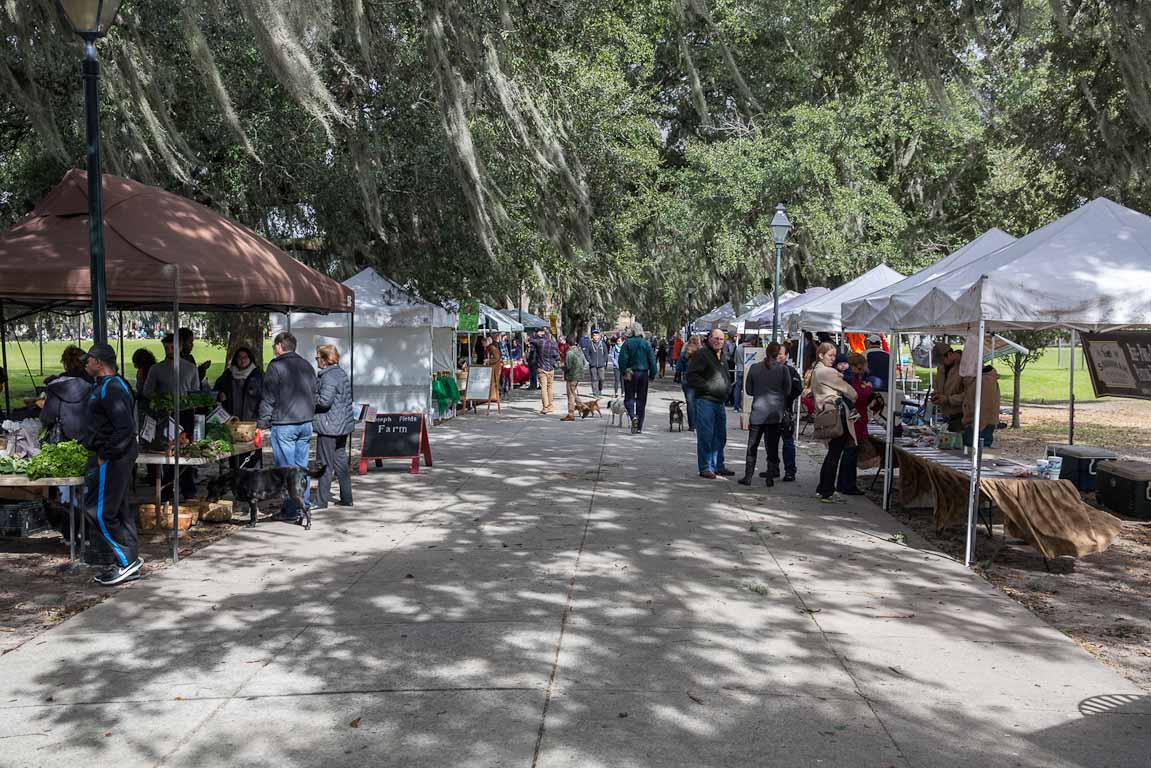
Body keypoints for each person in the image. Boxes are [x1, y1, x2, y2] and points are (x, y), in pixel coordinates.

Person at [79, 343, 141, 586]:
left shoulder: (112, 388)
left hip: (113, 458)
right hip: (116, 457)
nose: (86, 363)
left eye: (89, 359)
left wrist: (106, 452)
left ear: (99, 362)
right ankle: (129, 560)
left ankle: (127, 561)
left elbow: (125, 428)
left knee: (100, 511)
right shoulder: (111, 385)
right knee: (118, 510)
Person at [258, 332, 318, 511]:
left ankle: (292, 509)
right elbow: (315, 393)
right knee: (301, 468)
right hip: (305, 422)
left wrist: (262, 423)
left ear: (279, 346)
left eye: (274, 346)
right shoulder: (307, 365)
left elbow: (268, 397)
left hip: (285, 424)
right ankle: (303, 504)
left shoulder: (276, 366)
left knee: (286, 470)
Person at [143, 333, 202, 500]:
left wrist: (191, 402)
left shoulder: (190, 368)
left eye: (172, 347)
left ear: (180, 347)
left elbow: (195, 392)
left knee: (186, 452)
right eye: (166, 347)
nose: (169, 350)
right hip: (165, 416)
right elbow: (147, 391)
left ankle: (188, 490)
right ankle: (166, 492)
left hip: (185, 414)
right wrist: (160, 401)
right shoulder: (156, 369)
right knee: (166, 452)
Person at [809, 342, 858, 502]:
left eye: (834, 355)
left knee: (832, 452)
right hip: (837, 414)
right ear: (821, 355)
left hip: (827, 413)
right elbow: (850, 392)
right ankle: (826, 490)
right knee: (835, 454)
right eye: (830, 355)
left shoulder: (816, 370)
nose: (833, 358)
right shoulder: (827, 372)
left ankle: (823, 487)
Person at [739, 341, 792, 486]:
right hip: (775, 414)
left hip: (758, 412)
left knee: (752, 446)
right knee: (772, 447)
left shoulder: (754, 368)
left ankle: (748, 476)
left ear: (766, 352)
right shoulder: (783, 370)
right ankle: (769, 476)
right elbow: (787, 391)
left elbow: (749, 390)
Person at [687, 329, 734, 478]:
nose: (718, 341)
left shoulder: (722, 355)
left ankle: (718, 465)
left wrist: (727, 390)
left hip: (719, 402)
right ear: (709, 339)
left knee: (720, 436)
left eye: (721, 339)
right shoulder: (702, 354)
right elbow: (692, 376)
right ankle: (706, 467)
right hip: (706, 400)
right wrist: (708, 387)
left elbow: (726, 375)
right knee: (706, 435)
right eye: (716, 338)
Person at [313, 345, 354, 510]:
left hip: (329, 426)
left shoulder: (329, 376)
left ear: (324, 359)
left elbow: (324, 402)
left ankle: (321, 500)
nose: (316, 360)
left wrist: (310, 395)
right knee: (340, 462)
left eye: (317, 357)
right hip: (341, 426)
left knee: (324, 464)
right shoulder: (340, 373)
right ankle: (347, 497)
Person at [837, 354, 873, 496]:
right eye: (860, 367)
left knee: (849, 452)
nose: (863, 370)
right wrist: (868, 389)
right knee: (850, 452)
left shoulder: (851, 377)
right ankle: (848, 484)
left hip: (855, 417)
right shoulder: (851, 378)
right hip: (855, 418)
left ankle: (843, 483)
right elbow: (857, 395)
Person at [40, 346, 92, 443]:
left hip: (63, 440)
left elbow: (47, 418)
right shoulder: (95, 382)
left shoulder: (56, 386)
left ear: (65, 364)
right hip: (90, 438)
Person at [617, 323, 658, 433]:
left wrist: (623, 371)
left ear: (632, 331)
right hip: (643, 373)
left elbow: (622, 360)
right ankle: (639, 426)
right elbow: (652, 360)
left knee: (629, 398)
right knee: (641, 400)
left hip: (631, 373)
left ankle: (632, 415)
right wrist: (653, 374)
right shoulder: (646, 344)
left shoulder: (627, 343)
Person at [213, 347, 264, 421]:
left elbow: (264, 396)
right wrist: (220, 394)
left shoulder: (257, 375)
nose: (242, 360)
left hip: (250, 417)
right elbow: (216, 389)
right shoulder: (228, 373)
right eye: (239, 357)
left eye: (245, 357)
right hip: (230, 417)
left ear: (250, 358)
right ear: (235, 359)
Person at [963, 363, 1001, 449]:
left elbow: (986, 405)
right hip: (977, 423)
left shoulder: (986, 380)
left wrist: (979, 425)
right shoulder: (981, 379)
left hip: (981, 425)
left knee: (979, 453)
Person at [930, 343, 966, 433]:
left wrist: (948, 399)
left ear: (950, 354)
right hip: (946, 415)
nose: (941, 363)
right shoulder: (942, 367)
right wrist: (936, 395)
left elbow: (969, 395)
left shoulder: (964, 367)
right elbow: (937, 385)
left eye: (942, 360)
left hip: (961, 417)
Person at [529, 329, 560, 414]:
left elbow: (530, 340)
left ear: (543, 334)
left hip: (542, 368)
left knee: (543, 388)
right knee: (550, 388)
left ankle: (545, 407)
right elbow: (557, 357)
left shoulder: (540, 342)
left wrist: (536, 334)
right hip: (551, 369)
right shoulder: (553, 343)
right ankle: (551, 405)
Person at [676, 335, 702, 431]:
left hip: (688, 381)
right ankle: (699, 423)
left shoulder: (685, 354)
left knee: (690, 403)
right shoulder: (702, 354)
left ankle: (692, 425)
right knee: (699, 402)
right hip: (700, 381)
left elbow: (678, 368)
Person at [561, 337, 588, 422]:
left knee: (570, 395)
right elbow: (585, 363)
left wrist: (561, 366)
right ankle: (583, 407)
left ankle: (571, 414)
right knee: (573, 392)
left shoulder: (569, 353)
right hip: (579, 375)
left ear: (567, 344)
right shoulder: (579, 351)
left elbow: (568, 366)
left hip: (571, 376)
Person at [585, 330, 609, 399]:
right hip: (593, 365)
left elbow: (606, 353)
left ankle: (600, 390)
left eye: (597, 335)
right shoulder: (590, 344)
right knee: (594, 379)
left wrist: (603, 361)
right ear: (592, 336)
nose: (595, 337)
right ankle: (595, 393)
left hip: (601, 365)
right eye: (594, 335)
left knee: (602, 378)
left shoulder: (602, 344)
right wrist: (590, 361)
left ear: (599, 336)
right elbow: (586, 354)